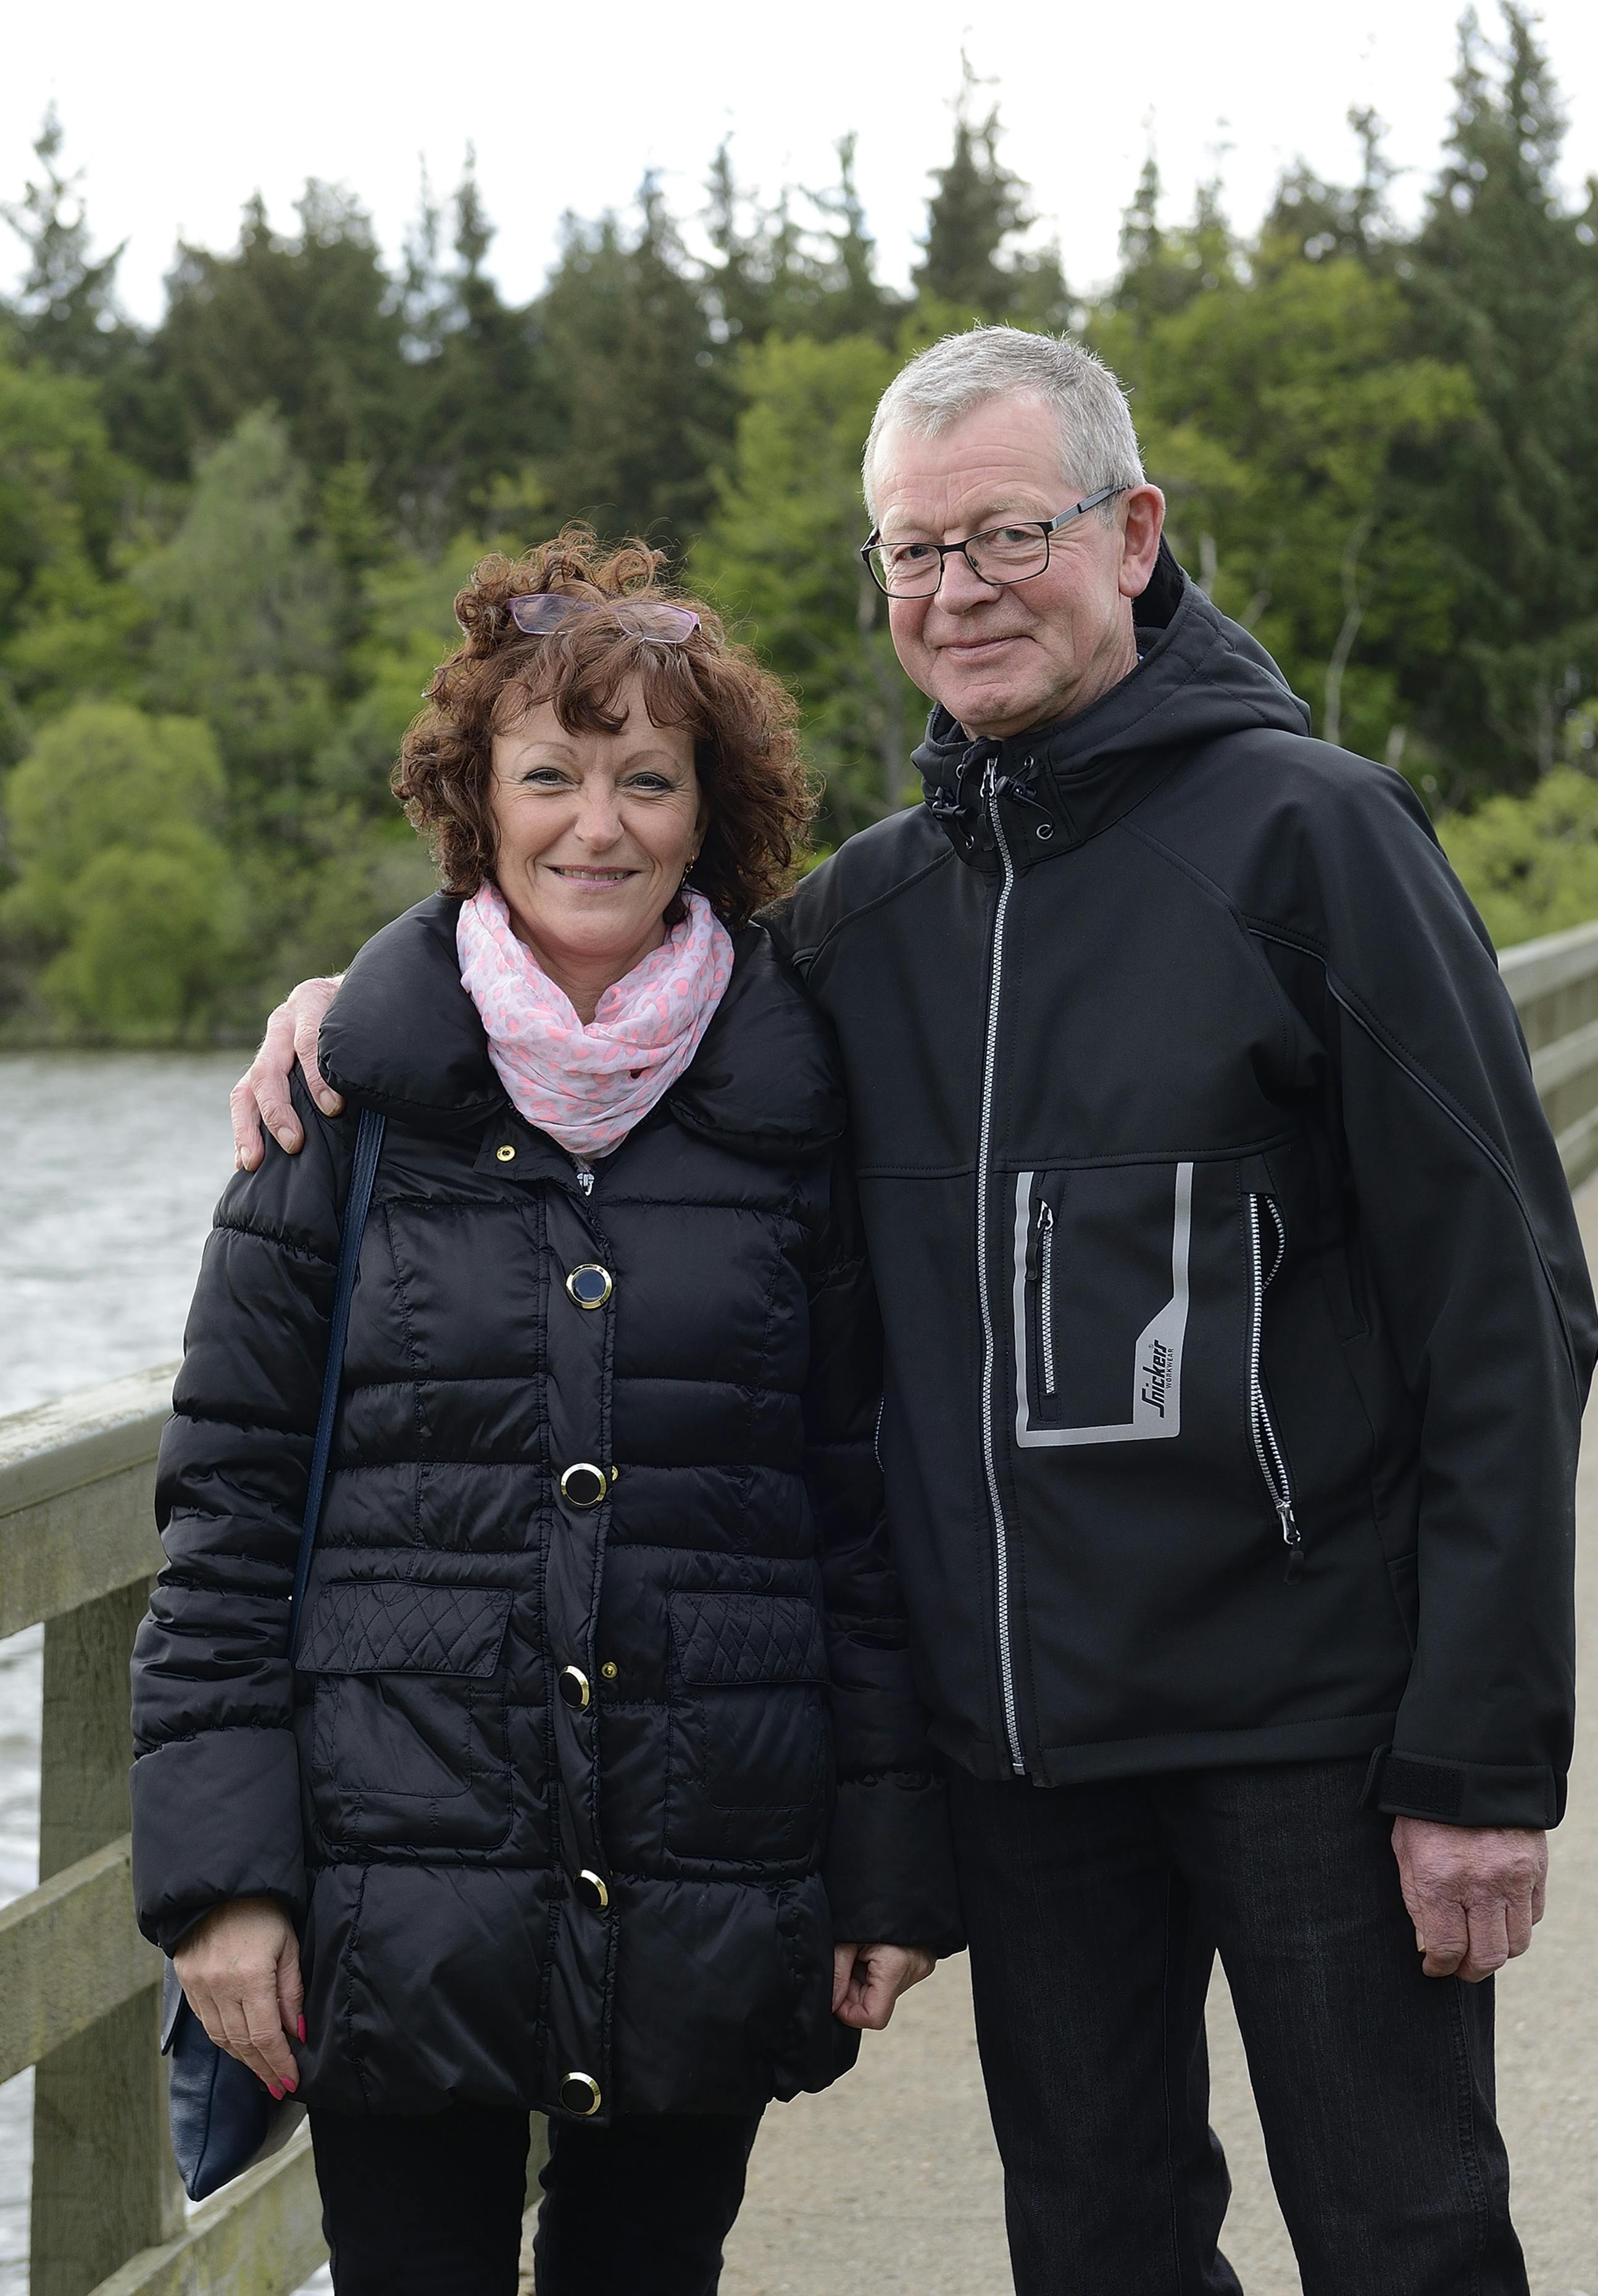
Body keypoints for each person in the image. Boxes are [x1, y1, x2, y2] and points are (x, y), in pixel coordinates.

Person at [234, 329, 1596, 2295]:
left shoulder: (1316, 840)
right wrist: (357, 1010)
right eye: (910, 552)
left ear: (1133, 536)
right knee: (1102, 2251)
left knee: (1406, 2238)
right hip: (1026, 1761)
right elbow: (602, 951)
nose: (956, 589)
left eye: (1007, 533)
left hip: (1318, 1722)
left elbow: (1511, 1308)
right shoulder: (865, 929)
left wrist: (1480, 1763)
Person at [131, 533, 960, 2296]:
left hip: (711, 1859)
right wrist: (220, 1883)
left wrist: (885, 1864)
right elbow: (227, 1518)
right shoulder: (345, 1101)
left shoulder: (789, 1103)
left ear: (707, 815)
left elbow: (855, 1507)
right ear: (475, 804)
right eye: (551, 776)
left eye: (648, 779)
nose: (599, 825)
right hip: (390, 1879)